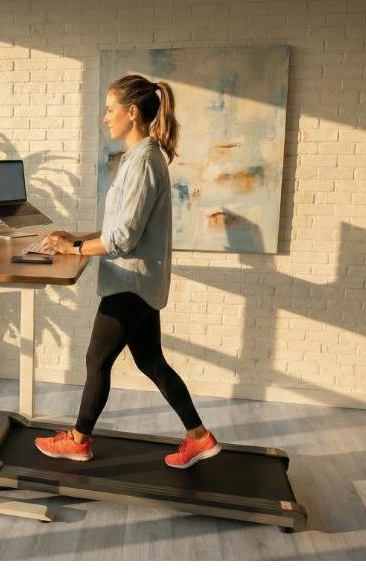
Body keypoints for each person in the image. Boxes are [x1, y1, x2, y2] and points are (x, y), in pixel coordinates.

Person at [33, 74, 220, 469]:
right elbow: (122, 226)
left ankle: (80, 440)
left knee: (96, 360)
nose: (105, 118)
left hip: (130, 284)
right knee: (151, 362)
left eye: (109, 109)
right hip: (137, 280)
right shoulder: (139, 159)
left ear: (131, 112)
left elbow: (123, 238)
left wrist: (77, 248)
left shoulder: (144, 162)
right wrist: (77, 237)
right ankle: (200, 437)